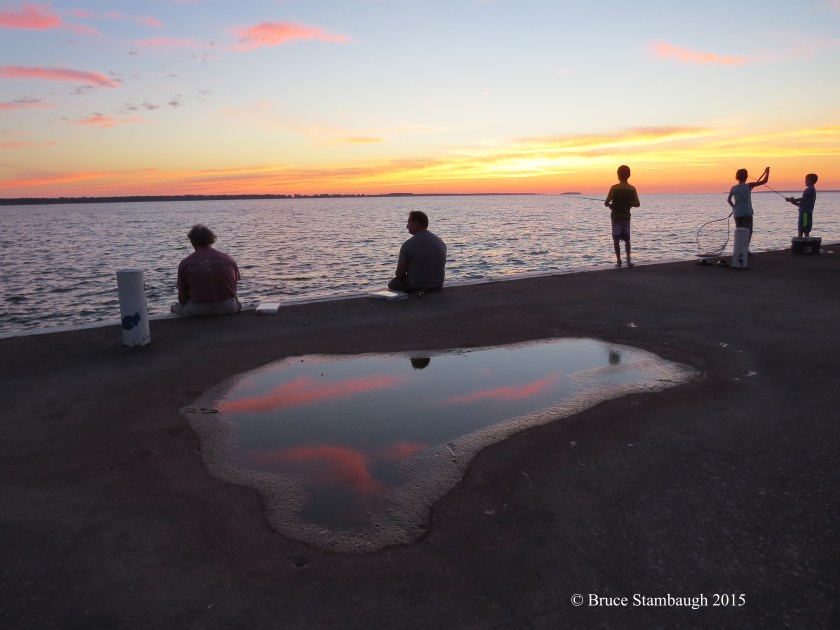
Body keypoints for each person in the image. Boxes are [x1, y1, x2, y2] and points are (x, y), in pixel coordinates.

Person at [171, 224, 242, 317]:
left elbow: (182, 298)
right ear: (211, 239)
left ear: (192, 242)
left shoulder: (185, 263)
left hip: (198, 310)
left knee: (175, 307)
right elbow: (233, 289)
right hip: (228, 308)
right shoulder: (229, 259)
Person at [388, 210, 447, 293]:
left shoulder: (408, 245)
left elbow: (399, 274)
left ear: (415, 223)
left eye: (409, 222)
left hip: (416, 286)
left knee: (392, 283)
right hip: (437, 286)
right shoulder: (440, 242)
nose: (407, 226)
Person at [604, 165, 640, 268]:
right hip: (626, 217)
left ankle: (619, 261)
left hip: (615, 217)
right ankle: (628, 261)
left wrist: (610, 205)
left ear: (618, 175)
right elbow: (637, 204)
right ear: (629, 175)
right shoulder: (632, 189)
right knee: (627, 239)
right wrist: (629, 203)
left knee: (616, 239)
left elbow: (606, 203)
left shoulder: (614, 188)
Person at [727, 166, 769, 251]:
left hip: (737, 214)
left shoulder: (733, 188)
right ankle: (745, 249)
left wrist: (734, 207)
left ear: (737, 177)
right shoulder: (748, 186)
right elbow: (764, 181)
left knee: (740, 232)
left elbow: (729, 200)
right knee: (748, 232)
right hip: (747, 213)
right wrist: (767, 172)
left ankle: (739, 249)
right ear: (746, 177)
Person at [786, 173, 818, 238]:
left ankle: (802, 245)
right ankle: (803, 245)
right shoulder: (811, 189)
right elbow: (802, 203)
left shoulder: (810, 189)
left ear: (811, 181)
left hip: (805, 214)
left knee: (803, 231)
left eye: (806, 180)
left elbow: (803, 199)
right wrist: (793, 202)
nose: (805, 181)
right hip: (804, 212)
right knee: (803, 230)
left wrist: (792, 200)